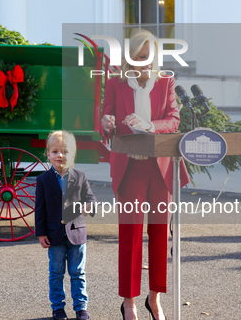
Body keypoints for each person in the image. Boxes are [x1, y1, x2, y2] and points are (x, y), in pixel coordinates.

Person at [100, 30, 190, 320]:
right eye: (139, 57)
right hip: (129, 168)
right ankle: (129, 302)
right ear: (130, 58)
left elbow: (174, 119)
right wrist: (107, 122)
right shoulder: (116, 84)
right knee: (131, 235)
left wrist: (150, 126)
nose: (144, 63)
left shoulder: (165, 82)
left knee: (160, 235)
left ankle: (155, 298)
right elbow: (104, 124)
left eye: (149, 57)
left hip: (160, 167)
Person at [35, 130, 97, 320]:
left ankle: (81, 307)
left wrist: (90, 205)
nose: (59, 155)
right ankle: (58, 308)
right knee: (56, 273)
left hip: (77, 234)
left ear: (72, 154)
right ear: (48, 154)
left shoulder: (80, 177)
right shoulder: (43, 180)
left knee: (78, 272)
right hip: (54, 235)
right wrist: (41, 233)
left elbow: (90, 198)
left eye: (65, 151)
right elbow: (40, 209)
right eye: (55, 151)